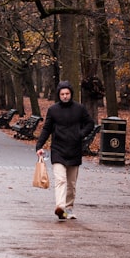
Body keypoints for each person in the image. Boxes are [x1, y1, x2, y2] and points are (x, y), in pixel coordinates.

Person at [35, 80, 95, 220]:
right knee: (60, 179)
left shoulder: (79, 109)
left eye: (67, 93)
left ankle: (68, 208)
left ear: (71, 94)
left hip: (74, 149)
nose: (65, 96)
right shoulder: (53, 110)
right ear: (58, 95)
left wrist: (80, 134)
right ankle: (60, 207)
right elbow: (47, 129)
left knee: (71, 183)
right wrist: (39, 146)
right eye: (62, 94)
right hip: (58, 149)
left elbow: (90, 123)